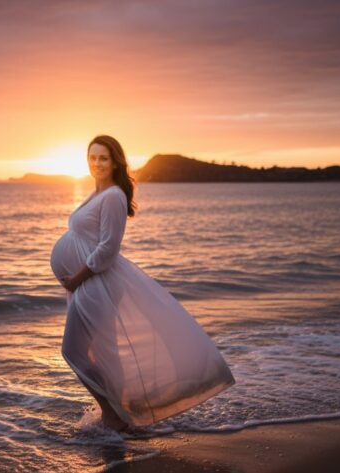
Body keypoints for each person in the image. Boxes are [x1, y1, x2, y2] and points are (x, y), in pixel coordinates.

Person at [50, 134, 236, 432]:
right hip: (90, 285)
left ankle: (112, 414)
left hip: (97, 283)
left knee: (73, 351)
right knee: (104, 352)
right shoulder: (98, 194)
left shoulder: (112, 196)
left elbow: (108, 249)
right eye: (92, 157)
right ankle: (125, 416)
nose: (96, 163)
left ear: (115, 162)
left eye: (103, 158)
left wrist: (77, 279)